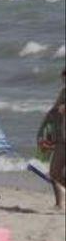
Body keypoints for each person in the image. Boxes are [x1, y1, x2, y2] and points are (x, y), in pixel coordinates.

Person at [40, 67, 65, 211]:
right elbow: (54, 111)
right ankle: (59, 204)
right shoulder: (63, 92)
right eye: (63, 78)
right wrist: (45, 129)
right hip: (61, 138)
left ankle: (59, 203)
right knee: (54, 172)